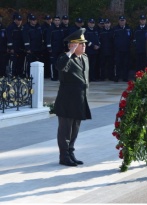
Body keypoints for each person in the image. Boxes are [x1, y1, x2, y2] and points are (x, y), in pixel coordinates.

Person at [54, 28, 91, 166]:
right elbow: (59, 67)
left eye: (84, 44)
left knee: (75, 129)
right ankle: (63, 156)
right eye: (81, 44)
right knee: (65, 130)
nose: (84, 46)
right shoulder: (66, 58)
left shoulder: (84, 58)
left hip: (80, 100)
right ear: (73, 45)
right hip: (67, 101)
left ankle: (71, 152)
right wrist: (70, 52)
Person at [113, 15, 132, 82]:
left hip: (126, 50)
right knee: (118, 64)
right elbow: (112, 39)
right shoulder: (115, 29)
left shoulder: (129, 28)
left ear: (125, 21)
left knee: (126, 64)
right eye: (121, 20)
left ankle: (125, 77)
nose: (122, 22)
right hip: (118, 50)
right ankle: (117, 77)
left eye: (123, 20)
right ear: (119, 21)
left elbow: (131, 38)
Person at [46, 16, 65, 81]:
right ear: (53, 21)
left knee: (61, 63)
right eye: (56, 20)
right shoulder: (51, 28)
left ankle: (59, 76)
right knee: (53, 63)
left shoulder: (61, 28)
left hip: (61, 48)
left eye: (58, 20)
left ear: (60, 21)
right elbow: (48, 39)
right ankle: (53, 76)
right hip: (53, 49)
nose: (57, 21)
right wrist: (49, 48)